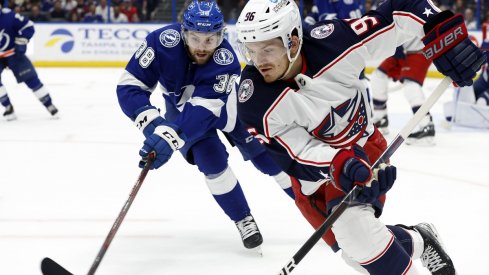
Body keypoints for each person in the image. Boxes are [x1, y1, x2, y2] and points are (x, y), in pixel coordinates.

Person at [236, 0, 484, 274]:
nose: (258, 61)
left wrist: (443, 30)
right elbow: (296, 153)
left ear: (293, 41)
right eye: (251, 50)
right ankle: (419, 239)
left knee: (357, 234)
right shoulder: (254, 99)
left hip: (363, 147)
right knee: (355, 254)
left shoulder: (335, 42)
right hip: (314, 176)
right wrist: (339, 163)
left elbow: (400, 11)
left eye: (267, 49)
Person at [116, 0, 295, 251]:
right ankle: (243, 218)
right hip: (181, 115)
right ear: (183, 32)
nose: (202, 48)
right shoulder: (160, 43)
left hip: (233, 113)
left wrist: (171, 136)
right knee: (212, 163)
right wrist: (154, 125)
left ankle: (315, 204)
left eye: (210, 40)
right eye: (196, 39)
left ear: (221, 35)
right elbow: (129, 86)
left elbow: (204, 110)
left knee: (269, 160)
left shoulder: (226, 61)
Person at [370, 37, 435, 145]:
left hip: (420, 51)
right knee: (378, 76)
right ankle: (381, 119)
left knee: (411, 86)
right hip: (402, 49)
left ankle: (427, 125)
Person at [0, 7, 58, 121]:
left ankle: (49, 104)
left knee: (31, 78)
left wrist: (21, 42)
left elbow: (29, 26)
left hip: (14, 54)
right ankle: (8, 107)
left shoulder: (9, 16)